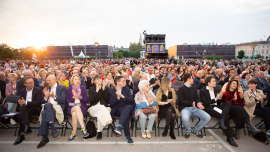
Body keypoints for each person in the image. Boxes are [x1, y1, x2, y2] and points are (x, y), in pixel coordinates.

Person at [200, 76, 237, 147]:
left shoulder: (217, 90)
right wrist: (216, 98)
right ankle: (229, 138)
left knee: (228, 103)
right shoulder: (203, 91)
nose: (215, 82)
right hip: (209, 108)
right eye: (213, 81)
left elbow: (219, 103)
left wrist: (220, 97)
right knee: (227, 116)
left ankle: (222, 120)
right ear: (208, 83)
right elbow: (205, 103)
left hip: (217, 107)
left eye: (215, 81)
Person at [37, 75, 66, 148]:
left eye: (49, 80)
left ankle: (45, 137)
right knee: (47, 106)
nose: (48, 82)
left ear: (55, 79)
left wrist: (54, 96)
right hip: (48, 109)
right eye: (47, 80)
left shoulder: (62, 88)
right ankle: (53, 130)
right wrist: (46, 97)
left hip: (57, 108)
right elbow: (41, 102)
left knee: (45, 110)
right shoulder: (47, 88)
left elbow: (63, 100)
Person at [178, 74, 211, 139]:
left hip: (195, 108)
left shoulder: (193, 88)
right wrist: (192, 103)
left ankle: (196, 130)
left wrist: (198, 103)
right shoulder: (181, 89)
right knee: (185, 118)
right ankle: (188, 130)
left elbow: (196, 98)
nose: (193, 80)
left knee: (207, 117)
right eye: (192, 78)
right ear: (188, 79)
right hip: (185, 108)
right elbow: (181, 101)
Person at [14, 77, 43, 145]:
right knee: (22, 110)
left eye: (32, 82)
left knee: (20, 114)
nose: (31, 84)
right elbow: (21, 101)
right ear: (25, 84)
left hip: (35, 109)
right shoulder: (23, 91)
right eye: (29, 83)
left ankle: (22, 134)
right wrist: (21, 102)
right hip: (25, 109)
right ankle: (26, 127)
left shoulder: (38, 90)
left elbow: (38, 102)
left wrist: (26, 103)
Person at [88, 75, 118, 140]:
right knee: (101, 108)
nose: (99, 80)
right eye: (97, 79)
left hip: (105, 108)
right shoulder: (91, 89)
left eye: (100, 79)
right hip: (93, 108)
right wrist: (97, 91)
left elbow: (108, 100)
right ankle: (110, 123)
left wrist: (103, 90)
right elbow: (91, 101)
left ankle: (99, 132)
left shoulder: (106, 88)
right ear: (94, 81)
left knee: (100, 113)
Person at [109, 76, 135, 144]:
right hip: (118, 109)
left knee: (126, 109)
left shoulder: (126, 89)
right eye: (123, 81)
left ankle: (119, 126)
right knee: (125, 114)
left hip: (128, 107)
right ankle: (127, 136)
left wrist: (123, 97)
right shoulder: (111, 91)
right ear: (118, 83)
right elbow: (111, 104)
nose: (125, 82)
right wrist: (117, 98)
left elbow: (132, 100)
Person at [66, 75, 89, 141]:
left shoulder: (83, 88)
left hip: (82, 107)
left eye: (78, 79)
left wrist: (80, 97)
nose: (77, 81)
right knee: (76, 107)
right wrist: (73, 97)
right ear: (72, 81)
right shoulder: (68, 90)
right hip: (71, 107)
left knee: (74, 114)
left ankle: (74, 134)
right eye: (75, 79)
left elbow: (87, 100)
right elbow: (67, 102)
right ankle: (83, 128)